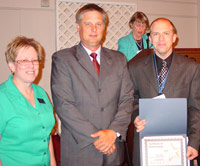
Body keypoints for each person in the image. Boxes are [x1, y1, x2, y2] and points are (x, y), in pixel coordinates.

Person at [51, 3, 134, 166]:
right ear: (78, 27)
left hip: (113, 150)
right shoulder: (63, 59)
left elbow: (127, 100)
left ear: (104, 27)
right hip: (80, 151)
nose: (94, 29)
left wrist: (112, 133)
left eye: (98, 24)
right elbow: (64, 105)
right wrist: (100, 139)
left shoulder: (119, 59)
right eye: (88, 24)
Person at [128, 18, 200, 166]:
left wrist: (194, 142)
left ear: (174, 38)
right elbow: (129, 100)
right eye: (156, 34)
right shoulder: (134, 68)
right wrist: (136, 115)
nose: (161, 38)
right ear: (150, 39)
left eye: (166, 33)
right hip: (146, 141)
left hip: (179, 143)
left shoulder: (192, 68)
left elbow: (196, 109)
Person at [0, 36, 56, 166]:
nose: (31, 65)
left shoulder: (41, 93)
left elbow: (46, 137)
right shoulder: (2, 97)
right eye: (24, 60)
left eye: (35, 60)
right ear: (12, 66)